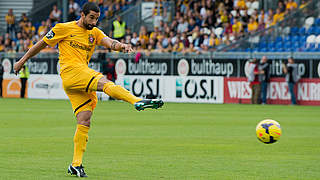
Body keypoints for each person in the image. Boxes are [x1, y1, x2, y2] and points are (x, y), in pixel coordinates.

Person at [13, 2, 164, 178]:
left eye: (97, 19)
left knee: (84, 120)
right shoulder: (63, 28)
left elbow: (109, 42)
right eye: (91, 18)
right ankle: (136, 100)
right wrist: (22, 60)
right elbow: (41, 44)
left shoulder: (94, 32)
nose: (94, 21)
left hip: (77, 81)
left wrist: (121, 46)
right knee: (104, 82)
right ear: (82, 15)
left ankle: (75, 164)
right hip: (71, 72)